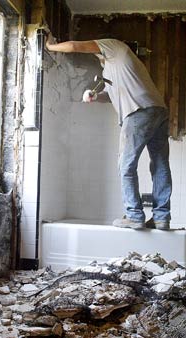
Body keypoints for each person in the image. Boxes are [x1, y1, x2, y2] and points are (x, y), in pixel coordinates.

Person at [46, 37, 172, 230]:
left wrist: (50, 46)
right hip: (158, 111)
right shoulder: (119, 68)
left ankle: (134, 215)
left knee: (126, 165)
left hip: (138, 112)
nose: (98, 58)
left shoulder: (115, 47)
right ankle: (162, 218)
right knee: (160, 164)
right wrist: (96, 96)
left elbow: (74, 46)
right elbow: (112, 96)